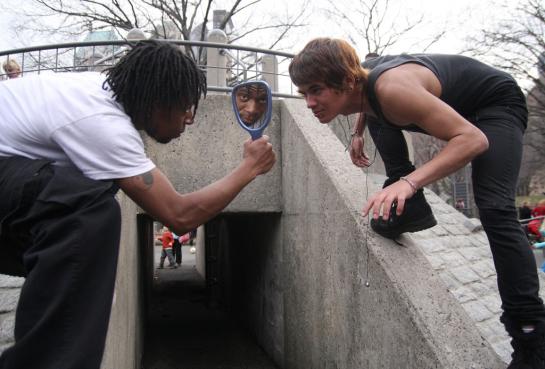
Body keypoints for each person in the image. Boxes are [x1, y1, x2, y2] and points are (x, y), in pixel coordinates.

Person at [0, 40, 275, 369]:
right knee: (86, 209)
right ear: (155, 102)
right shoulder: (103, 124)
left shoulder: (95, 93)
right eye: (184, 107)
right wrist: (249, 169)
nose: (189, 119)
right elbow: (179, 215)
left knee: (83, 207)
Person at [289, 37, 545, 368]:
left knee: (495, 207)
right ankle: (412, 206)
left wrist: (410, 183)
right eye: (303, 93)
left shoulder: (392, 89)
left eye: (316, 90)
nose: (309, 102)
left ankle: (531, 339)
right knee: (376, 109)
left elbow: (472, 139)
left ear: (347, 80)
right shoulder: (365, 81)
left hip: (494, 104)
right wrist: (356, 132)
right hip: (431, 104)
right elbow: (366, 84)